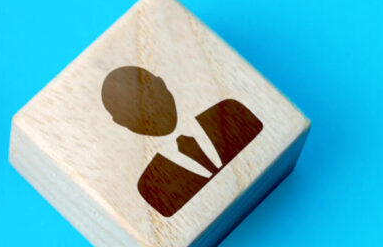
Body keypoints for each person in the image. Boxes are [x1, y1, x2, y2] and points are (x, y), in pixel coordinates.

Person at [102, 65, 264, 217]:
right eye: (133, 109)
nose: (148, 110)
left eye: (149, 93)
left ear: (163, 84)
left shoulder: (233, 113)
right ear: (122, 123)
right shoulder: (152, 188)